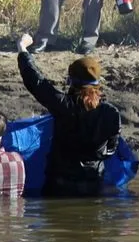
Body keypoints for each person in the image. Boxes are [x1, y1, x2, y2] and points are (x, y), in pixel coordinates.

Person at [16, 32, 122, 195]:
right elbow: (111, 150)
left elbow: (36, 82)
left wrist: (23, 48)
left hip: (59, 185)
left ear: (71, 81)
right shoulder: (111, 113)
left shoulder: (64, 105)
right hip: (93, 184)